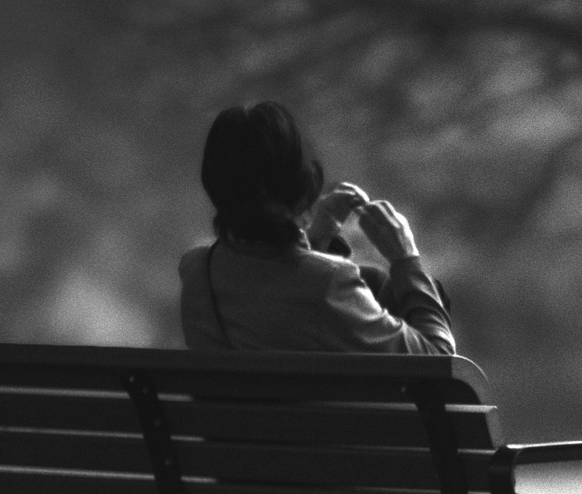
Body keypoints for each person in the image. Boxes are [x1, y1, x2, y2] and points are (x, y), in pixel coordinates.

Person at [178, 102, 455, 355]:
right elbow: (440, 361)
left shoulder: (197, 271)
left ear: (214, 185)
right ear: (304, 190)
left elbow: (274, 286)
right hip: (327, 398)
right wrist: (406, 259)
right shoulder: (328, 283)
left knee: (373, 279)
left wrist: (316, 240)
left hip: (232, 398)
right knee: (404, 287)